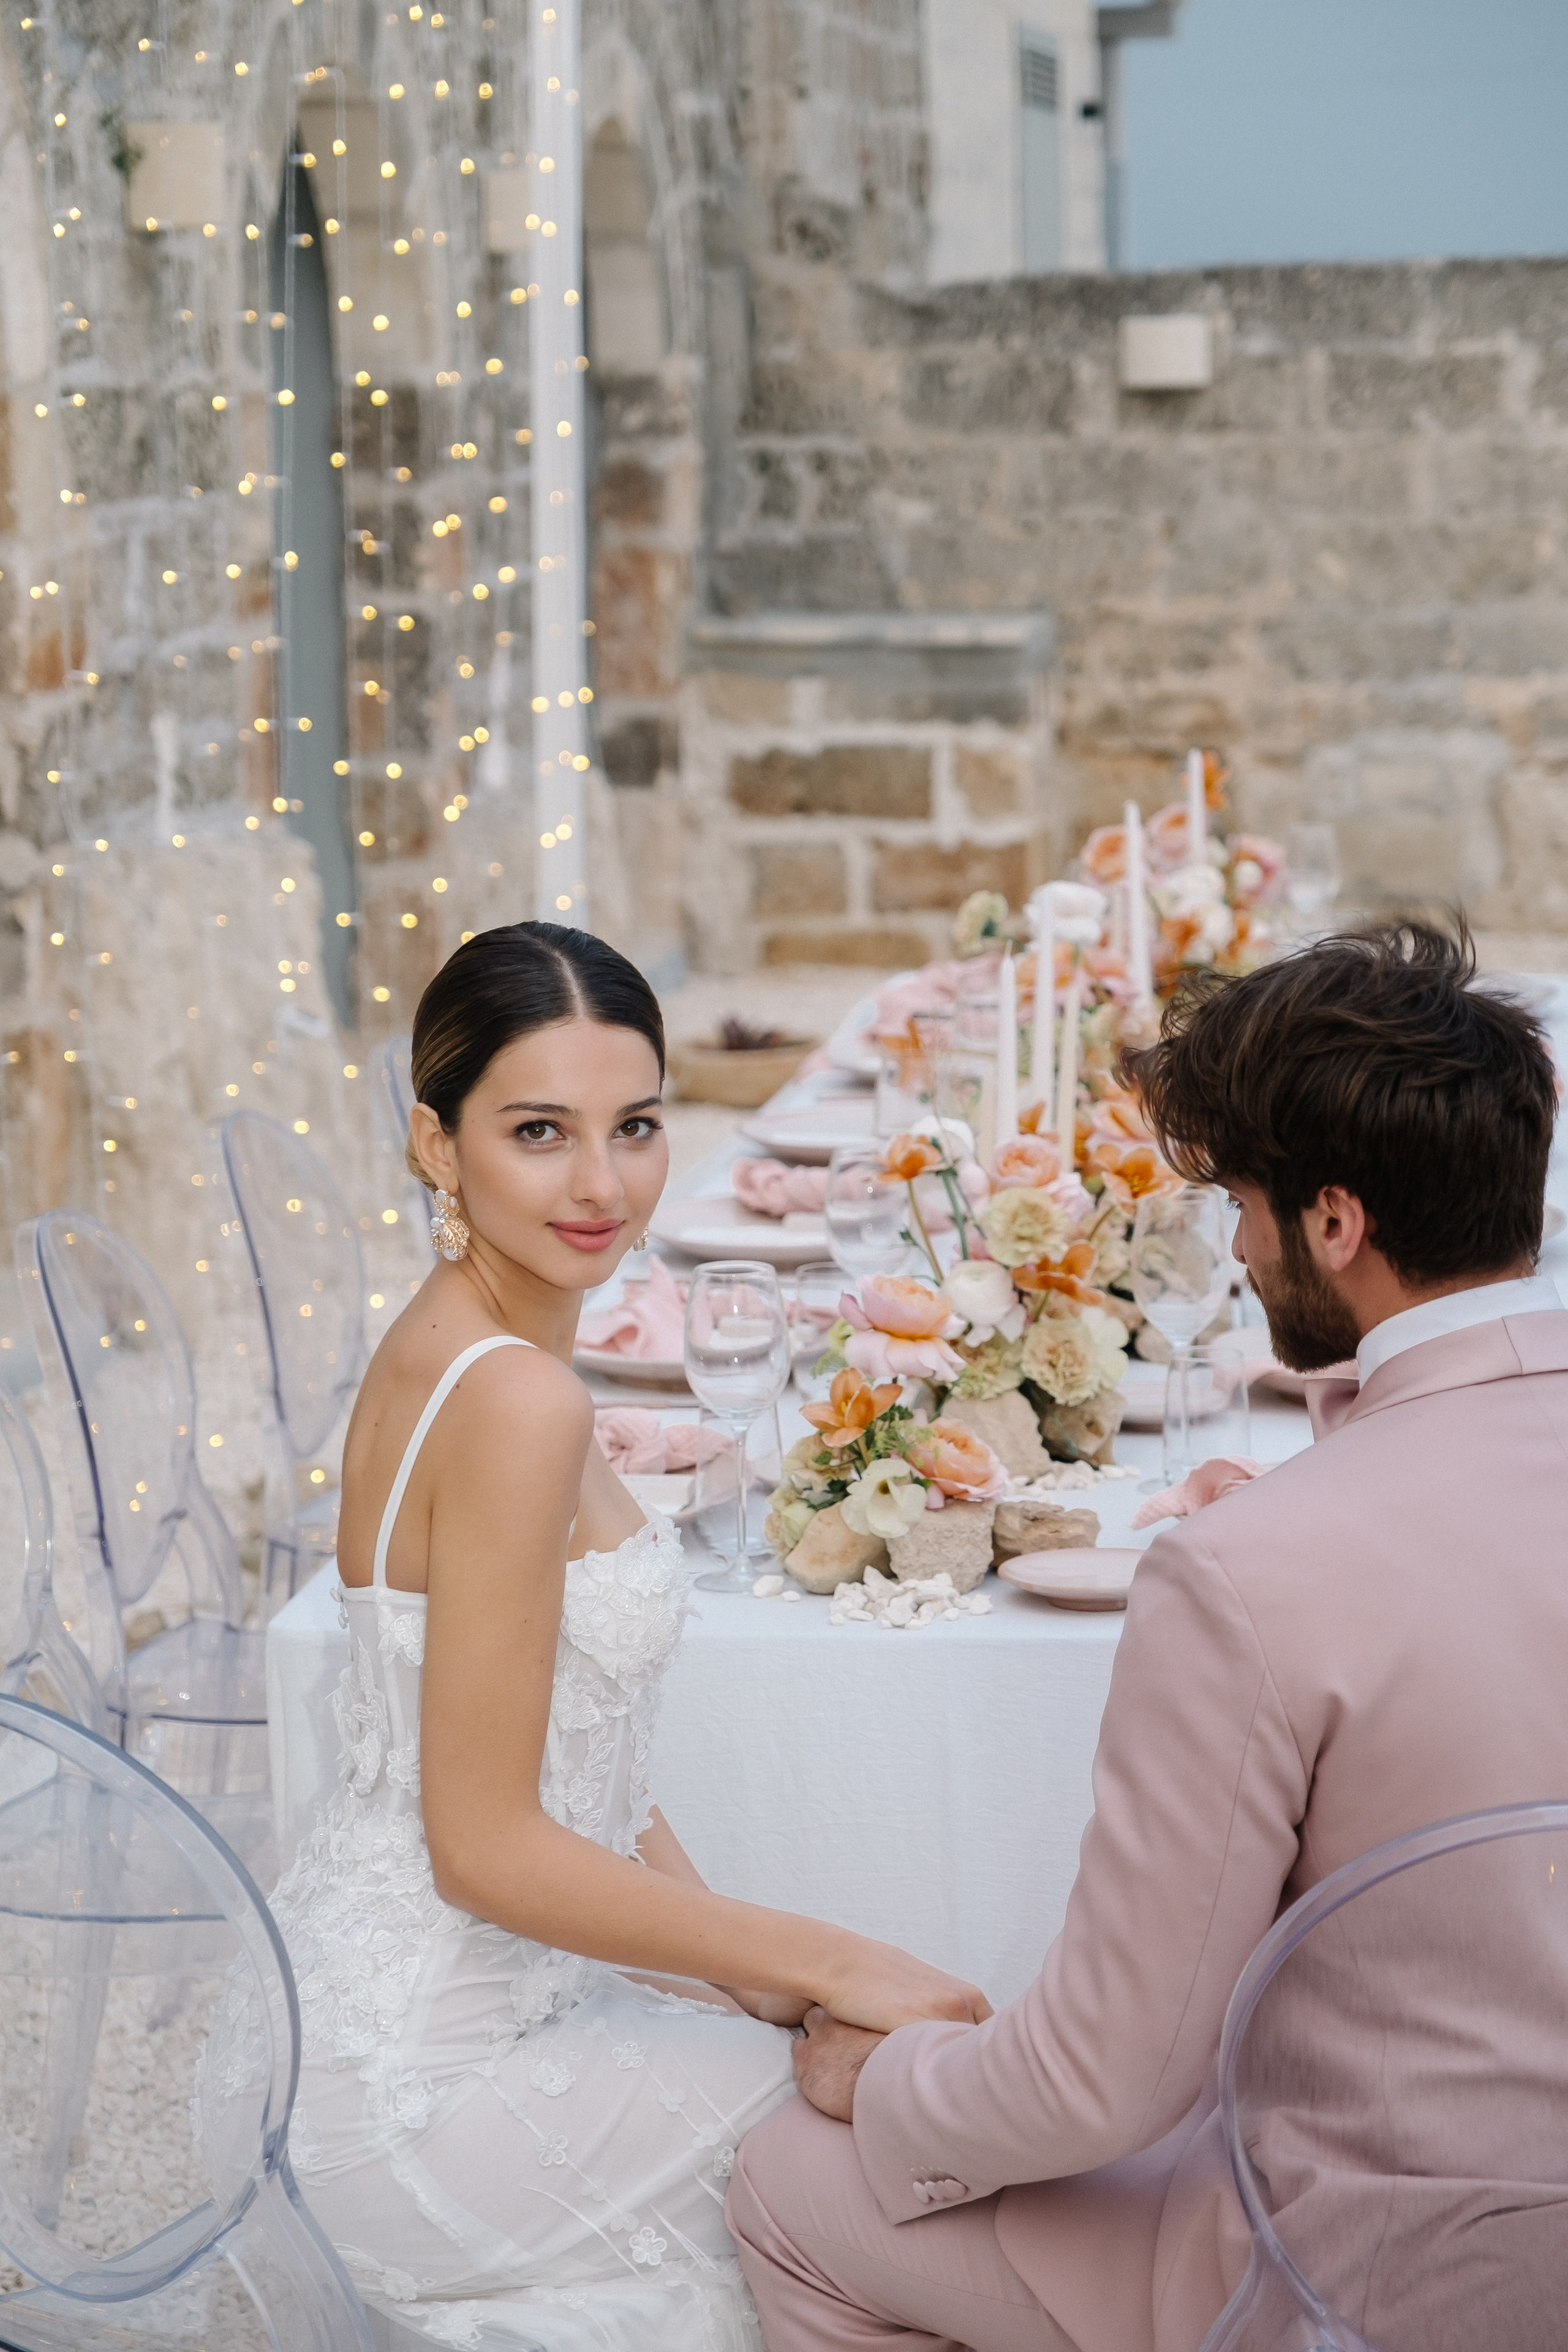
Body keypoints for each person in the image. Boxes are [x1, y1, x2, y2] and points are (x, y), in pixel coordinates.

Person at [728, 921, 1568, 2352]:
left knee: (783, 2179)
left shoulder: (1250, 1572)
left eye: (1242, 1202)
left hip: (1359, 2273)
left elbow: (1106, 2083)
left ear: (1333, 1224)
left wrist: (884, 2082)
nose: (1236, 1249)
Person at [259, 922, 987, 2350]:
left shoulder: (464, 1340)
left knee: (867, 2093)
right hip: (422, 2083)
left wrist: (754, 1991)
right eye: (539, 1132)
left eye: (635, 1127)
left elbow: (568, 1746)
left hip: (360, 2020)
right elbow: (484, 1848)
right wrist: (828, 1964)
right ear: (434, 1141)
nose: (601, 1185)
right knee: (924, 2159)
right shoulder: (517, 1403)